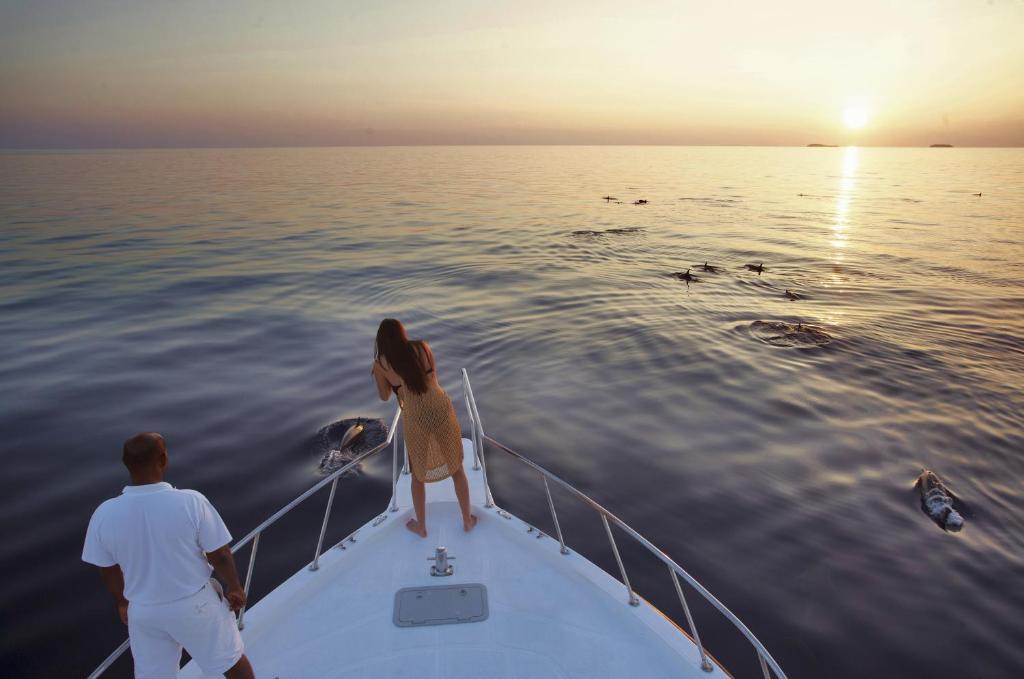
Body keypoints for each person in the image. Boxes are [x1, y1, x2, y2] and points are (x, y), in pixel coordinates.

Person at [82, 432, 255, 679]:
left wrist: (122, 602)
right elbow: (220, 555)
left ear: (125, 463)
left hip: (143, 613)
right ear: (163, 459)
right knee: (229, 662)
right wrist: (235, 587)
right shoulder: (190, 501)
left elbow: (106, 567)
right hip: (195, 605)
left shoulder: (104, 513)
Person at [370, 318, 477, 537]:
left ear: (381, 340)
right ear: (402, 333)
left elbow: (383, 396)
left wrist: (389, 380)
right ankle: (467, 520)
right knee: (457, 467)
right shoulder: (422, 347)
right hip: (439, 404)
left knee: (417, 474)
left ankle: (421, 527)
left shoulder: (380, 363)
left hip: (415, 414)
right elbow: (432, 377)